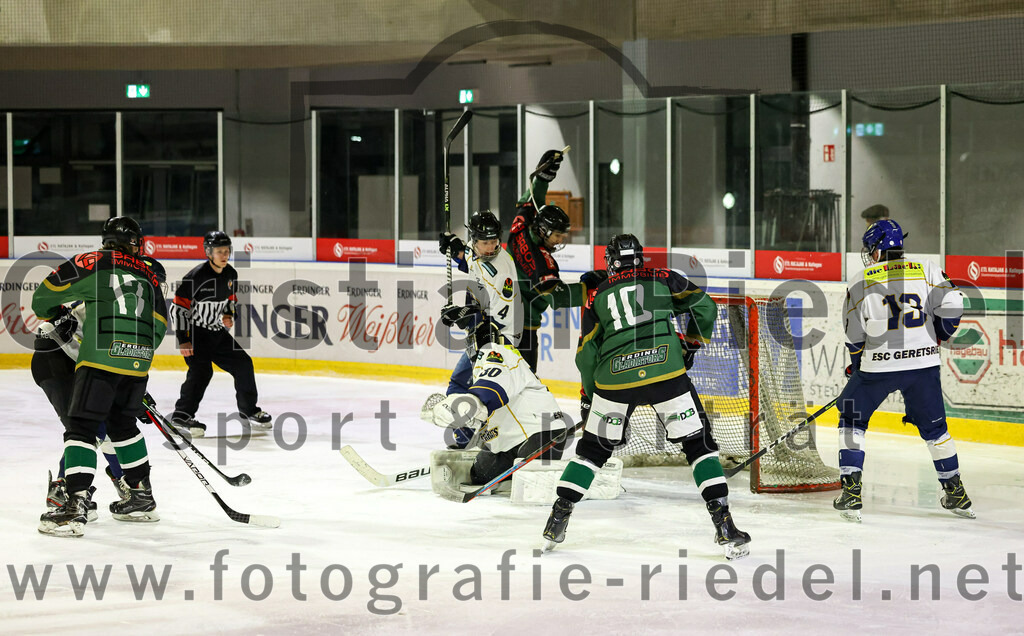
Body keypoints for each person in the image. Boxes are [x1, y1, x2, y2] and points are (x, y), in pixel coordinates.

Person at [542, 234, 752, 559]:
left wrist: (589, 397)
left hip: (614, 379)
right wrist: (692, 343)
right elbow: (705, 307)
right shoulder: (665, 277)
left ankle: (558, 518)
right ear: (640, 257)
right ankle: (724, 525)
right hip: (665, 372)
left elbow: (586, 354)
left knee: (592, 453)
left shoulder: (597, 295)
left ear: (610, 262)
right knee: (699, 446)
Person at [32, 216, 167, 536]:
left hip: (95, 358)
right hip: (60, 359)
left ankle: (86, 502)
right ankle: (78, 494)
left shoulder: (94, 266)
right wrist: (135, 366)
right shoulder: (145, 277)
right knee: (97, 426)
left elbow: (42, 300)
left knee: (93, 426)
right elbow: (158, 329)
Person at [833, 219, 971, 521]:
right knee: (936, 430)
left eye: (870, 249)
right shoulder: (928, 269)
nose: (868, 254)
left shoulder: (860, 280)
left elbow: (854, 337)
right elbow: (956, 300)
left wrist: (857, 367)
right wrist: (942, 333)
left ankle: (852, 491)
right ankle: (956, 492)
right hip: (923, 365)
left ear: (878, 249)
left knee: (852, 419)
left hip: (877, 368)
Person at [425, 307, 569, 487]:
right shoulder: (482, 363)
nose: (468, 345)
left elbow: (491, 389)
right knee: (479, 475)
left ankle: (576, 478)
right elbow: (472, 395)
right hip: (511, 441)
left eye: (471, 338)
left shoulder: (497, 353)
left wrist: (462, 408)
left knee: (529, 480)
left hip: (540, 434)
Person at [508, 149, 605, 372]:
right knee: (525, 381)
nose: (561, 240)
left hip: (501, 319)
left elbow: (529, 201)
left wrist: (543, 177)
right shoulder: (542, 263)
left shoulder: (520, 228)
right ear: (543, 231)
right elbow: (557, 297)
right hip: (522, 328)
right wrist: (589, 286)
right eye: (558, 235)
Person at [169, 231, 272, 437]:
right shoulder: (196, 276)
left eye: (226, 251)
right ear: (209, 252)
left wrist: (228, 314)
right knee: (202, 372)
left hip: (216, 333)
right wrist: (184, 339)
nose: (224, 255)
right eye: (219, 251)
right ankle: (180, 416)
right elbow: (178, 307)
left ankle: (249, 410)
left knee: (243, 364)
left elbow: (231, 299)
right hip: (196, 334)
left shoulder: (231, 274)